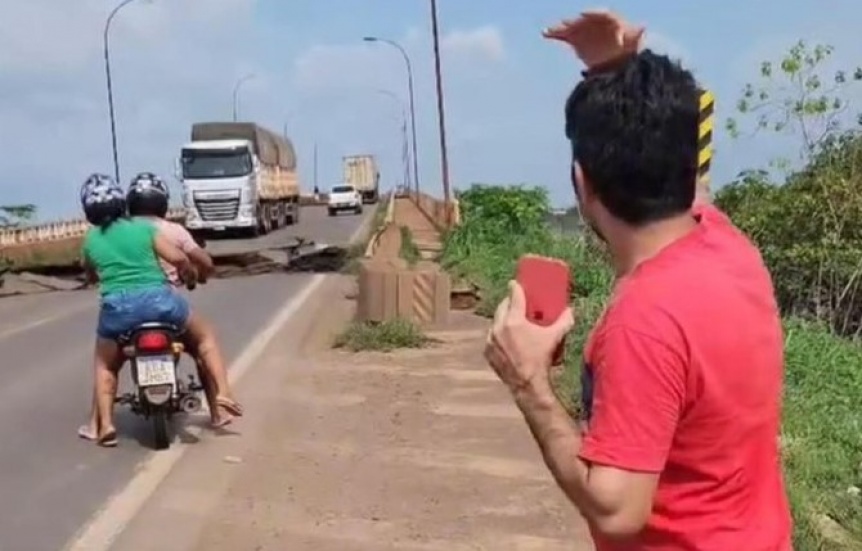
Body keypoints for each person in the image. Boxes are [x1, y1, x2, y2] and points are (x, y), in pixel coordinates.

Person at [483, 11, 791, 551]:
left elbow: (617, 509)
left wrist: (528, 381)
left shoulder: (643, 323)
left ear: (582, 181)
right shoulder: (727, 246)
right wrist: (614, 69)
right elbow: (678, 165)